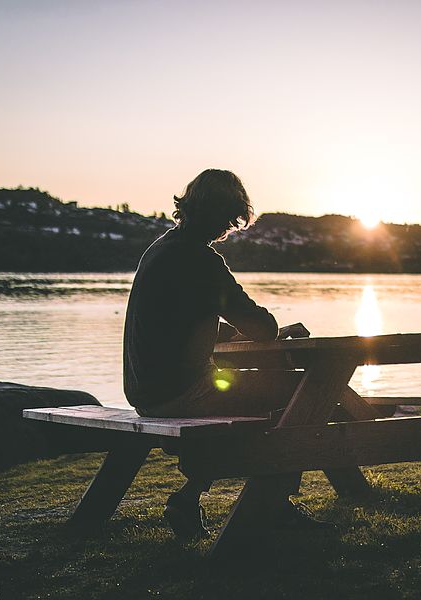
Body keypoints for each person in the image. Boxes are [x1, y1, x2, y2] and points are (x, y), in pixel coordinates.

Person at [122, 169, 328, 539]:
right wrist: (280, 332)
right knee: (304, 393)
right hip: (182, 392)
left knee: (264, 399)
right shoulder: (200, 260)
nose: (228, 230)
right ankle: (275, 504)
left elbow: (188, 322)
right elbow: (260, 327)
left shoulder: (161, 249)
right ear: (222, 215)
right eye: (230, 221)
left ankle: (192, 496)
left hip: (144, 392)